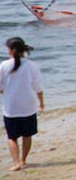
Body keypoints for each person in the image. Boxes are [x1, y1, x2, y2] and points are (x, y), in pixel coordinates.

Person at [0, 37, 43, 171]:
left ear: (12, 50)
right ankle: (24, 160)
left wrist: (5, 93)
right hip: (28, 106)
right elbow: (38, 87)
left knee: (12, 137)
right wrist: (41, 103)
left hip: (11, 107)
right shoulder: (32, 65)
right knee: (27, 135)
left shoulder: (4, 65)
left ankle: (16, 162)